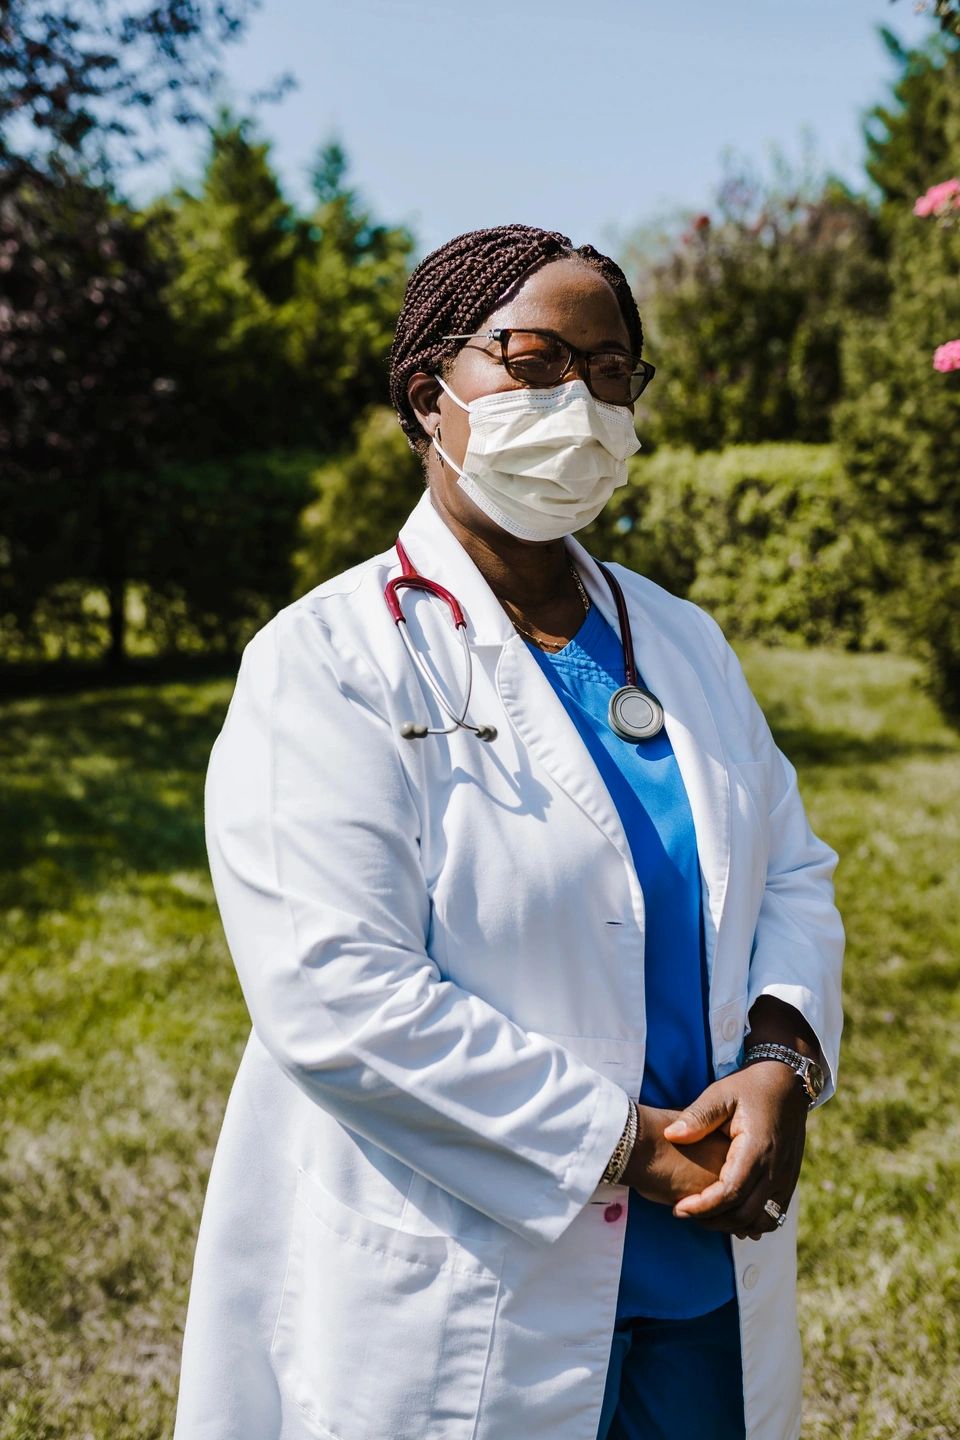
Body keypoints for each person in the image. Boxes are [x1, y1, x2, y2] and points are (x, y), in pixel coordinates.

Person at [173, 224, 844, 1440]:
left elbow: (791, 868)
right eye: (532, 363)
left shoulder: (682, 641)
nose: (578, 404)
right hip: (473, 1270)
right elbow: (334, 992)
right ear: (433, 397)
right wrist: (621, 1144)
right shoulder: (327, 662)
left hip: (701, 1261)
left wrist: (784, 1056)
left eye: (610, 372)